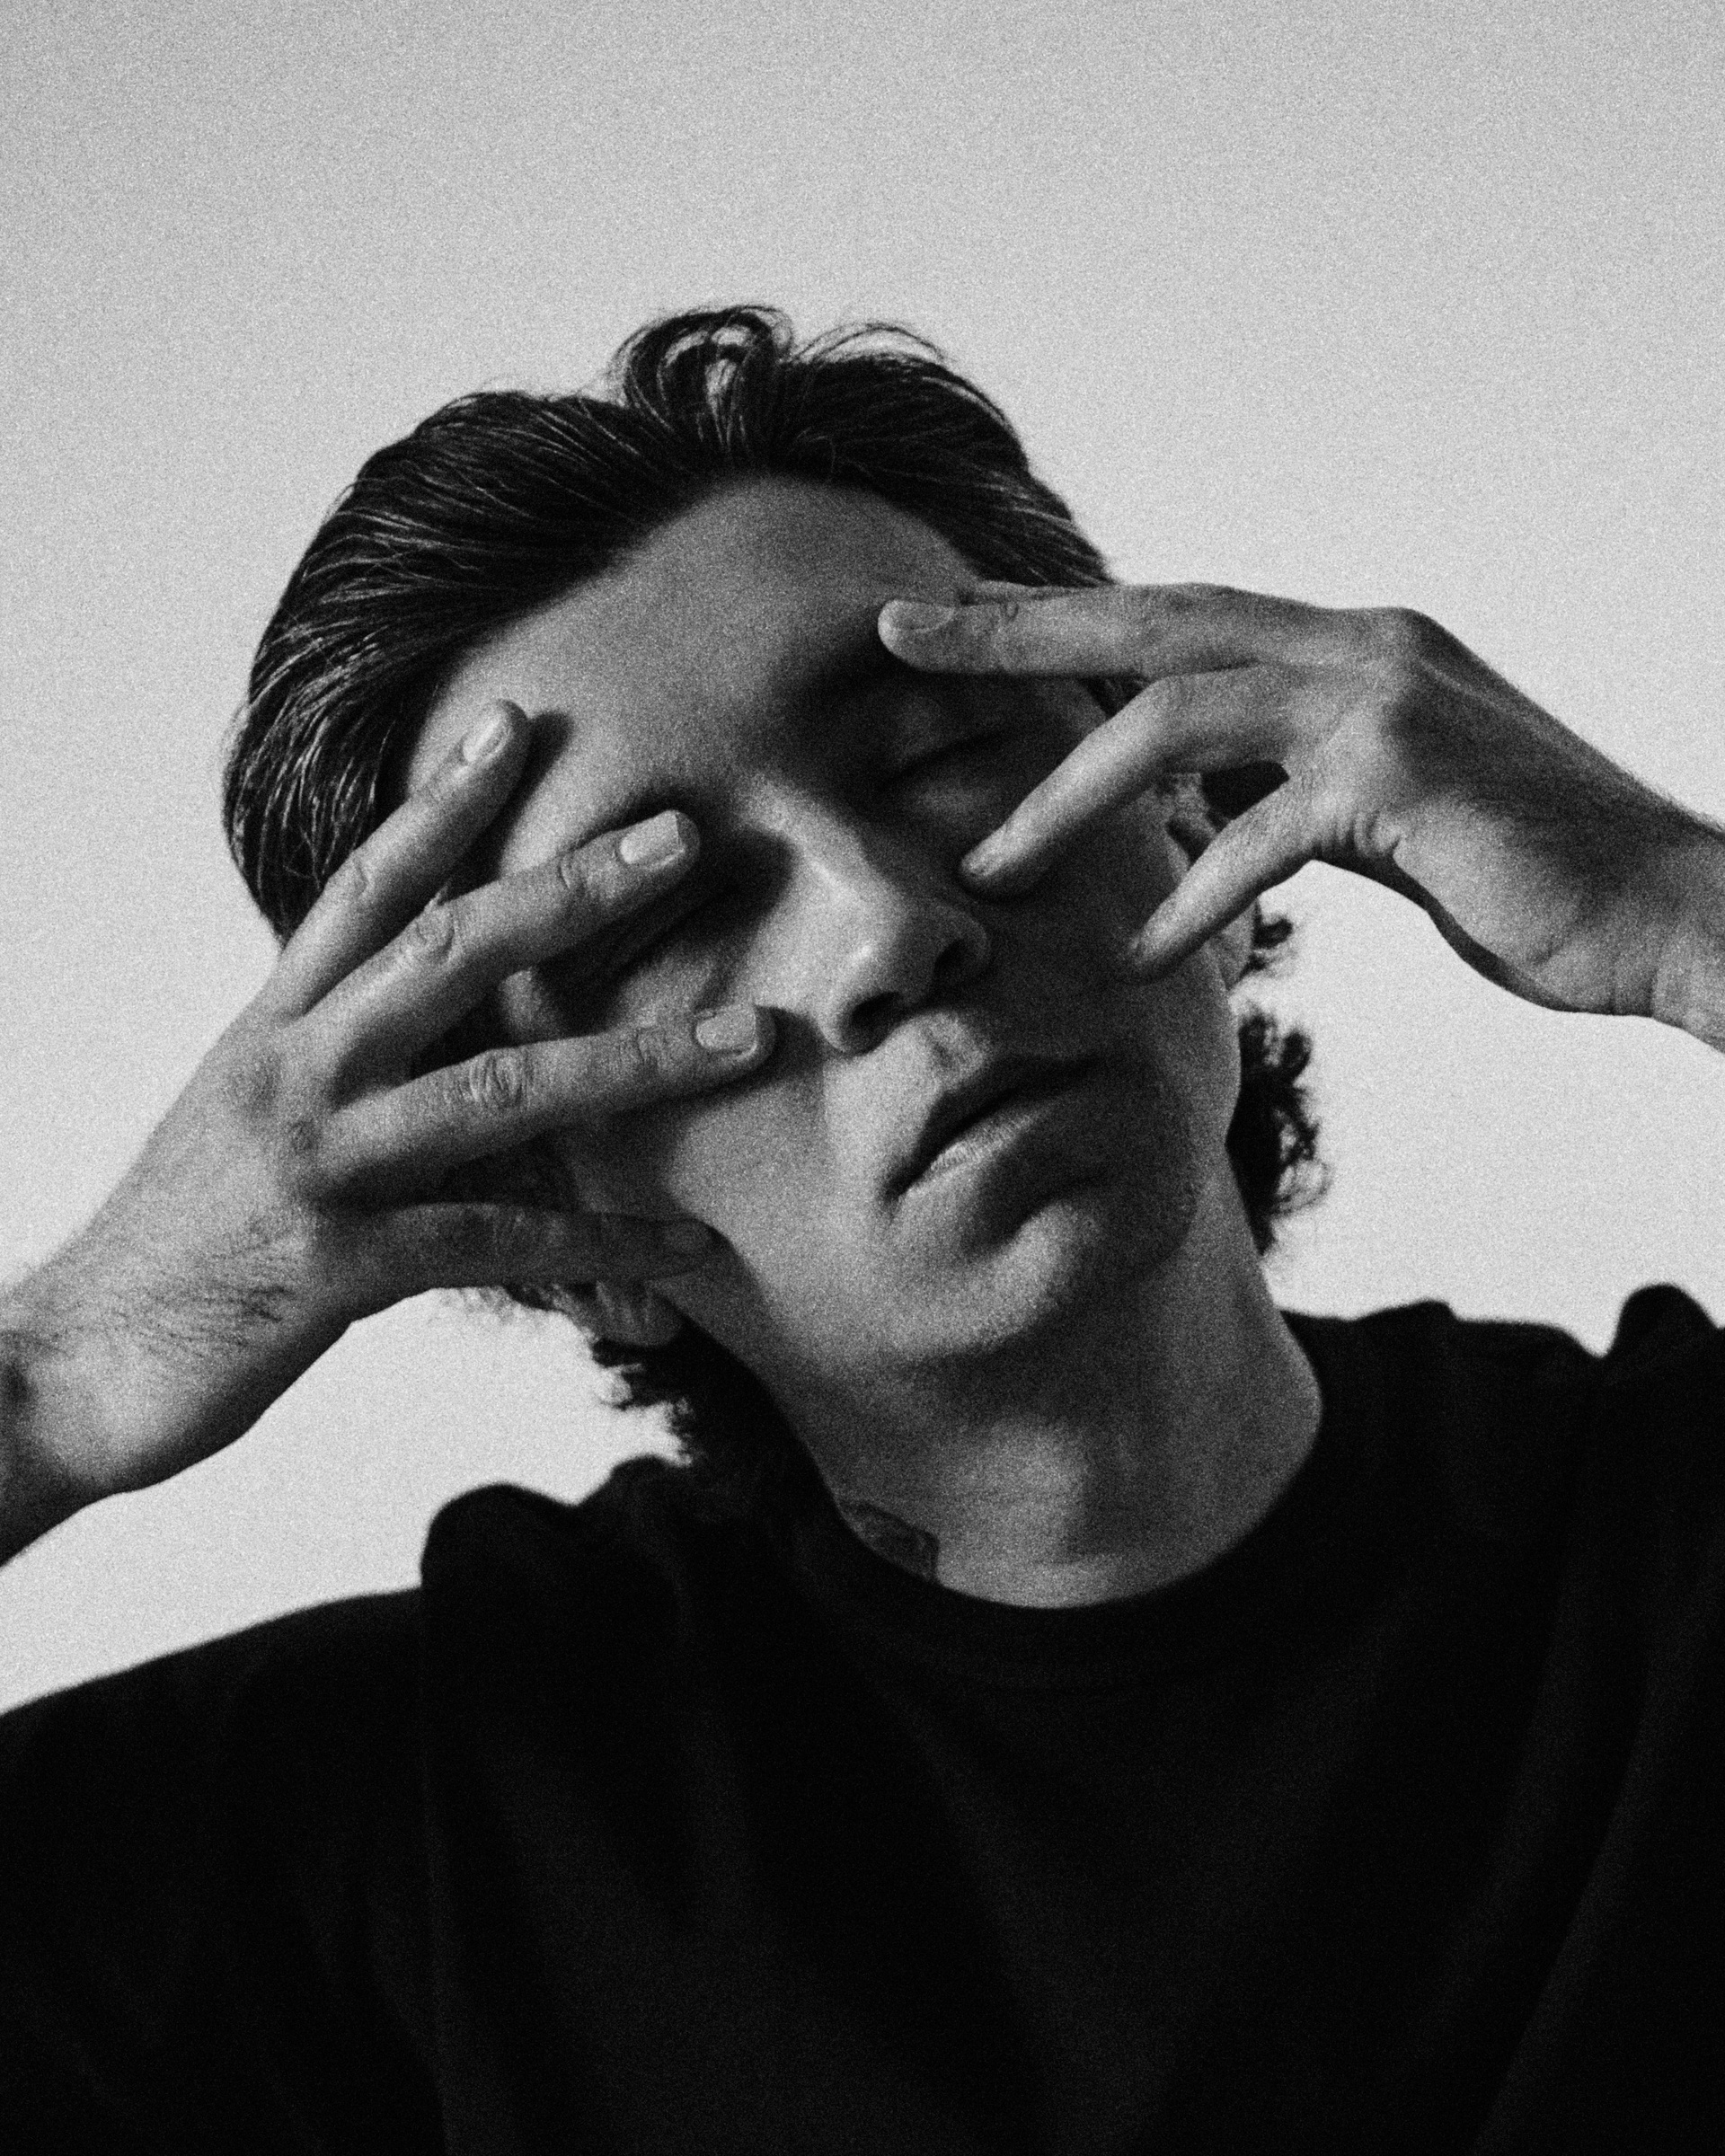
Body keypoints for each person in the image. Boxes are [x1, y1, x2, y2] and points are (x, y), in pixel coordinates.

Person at [0, 307, 1719, 2153]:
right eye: (661, 913)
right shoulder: (424, 1823)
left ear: (1200, 818)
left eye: (935, 755)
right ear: (541, 1215)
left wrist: (1680, 904)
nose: (887, 924)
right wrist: (56, 1382)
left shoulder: (1674, 1540)